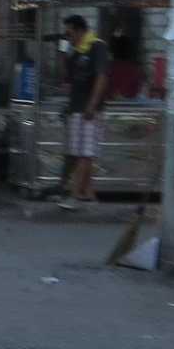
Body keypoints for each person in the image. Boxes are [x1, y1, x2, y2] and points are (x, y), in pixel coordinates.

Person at [60, 14, 107, 205]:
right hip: (76, 107)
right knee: (78, 152)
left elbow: (102, 77)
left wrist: (92, 104)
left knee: (85, 154)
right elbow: (67, 78)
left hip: (88, 109)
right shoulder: (76, 52)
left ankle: (74, 194)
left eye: (69, 33)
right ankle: (88, 193)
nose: (68, 37)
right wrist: (63, 52)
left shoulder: (97, 46)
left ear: (79, 30)